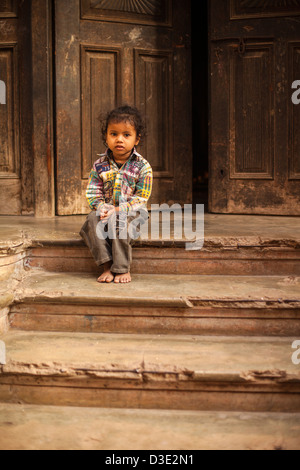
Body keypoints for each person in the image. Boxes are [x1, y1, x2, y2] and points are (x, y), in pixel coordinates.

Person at [80, 105, 153, 284]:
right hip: (107, 210)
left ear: (137, 139)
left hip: (133, 213)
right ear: (106, 137)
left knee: (119, 220)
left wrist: (119, 209)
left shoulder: (143, 167)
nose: (119, 139)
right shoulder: (99, 165)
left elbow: (141, 198)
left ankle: (121, 267)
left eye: (126, 135)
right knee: (91, 219)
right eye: (114, 134)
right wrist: (101, 207)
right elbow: (93, 191)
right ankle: (106, 265)